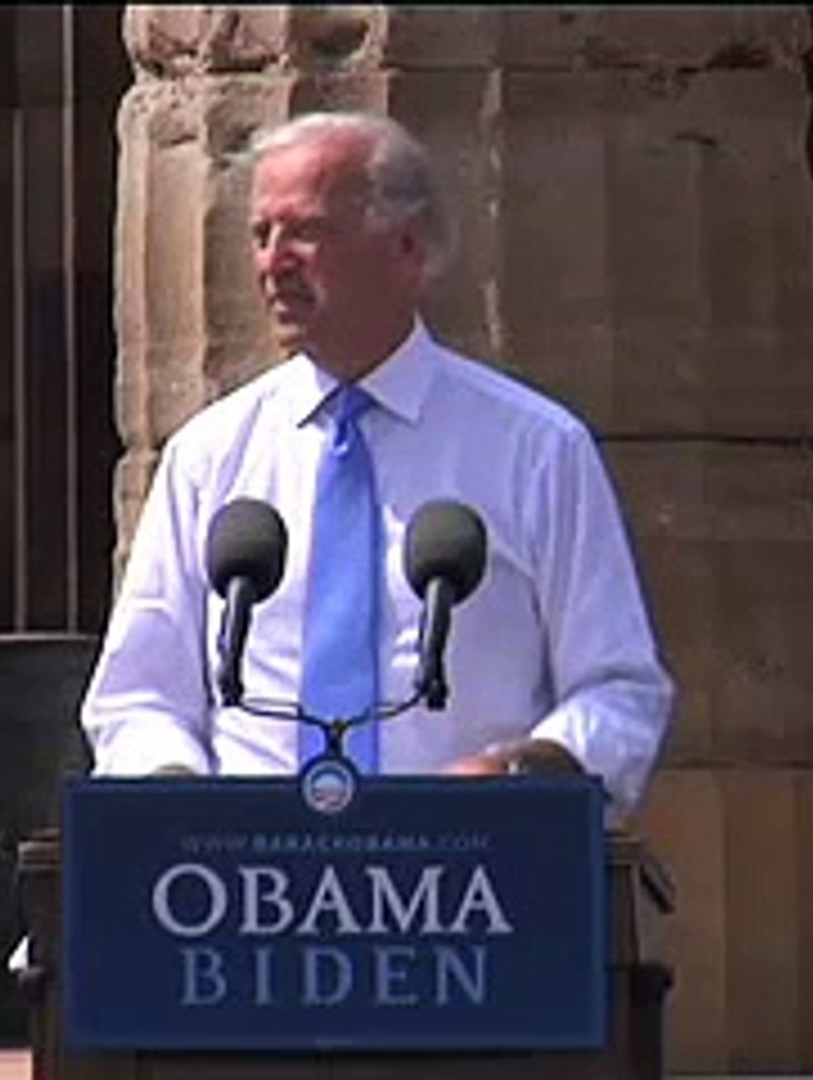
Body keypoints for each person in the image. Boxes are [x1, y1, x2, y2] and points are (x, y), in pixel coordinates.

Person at [79, 110, 675, 813]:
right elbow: (138, 698)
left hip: (472, 877)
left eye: (307, 230)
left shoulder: (536, 449)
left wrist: (523, 772)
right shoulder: (209, 457)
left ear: (407, 248)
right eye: (261, 235)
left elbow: (619, 687)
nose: (274, 262)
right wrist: (174, 797)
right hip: (243, 885)